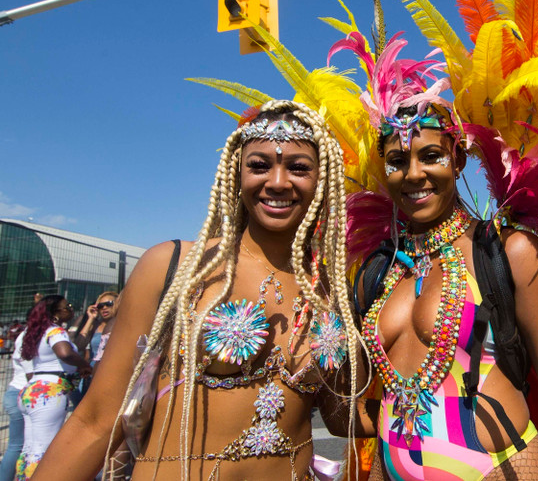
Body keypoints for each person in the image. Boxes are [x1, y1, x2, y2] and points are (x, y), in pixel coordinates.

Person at [332, 34, 538, 479]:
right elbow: (344, 409)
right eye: (397, 161)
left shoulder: (510, 251)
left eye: (431, 156)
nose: (413, 174)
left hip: (499, 468)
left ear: (458, 159)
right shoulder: (377, 269)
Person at [32, 102, 358, 480]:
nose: (278, 182)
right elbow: (97, 420)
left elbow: (342, 417)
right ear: (236, 173)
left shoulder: (327, 290)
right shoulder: (175, 266)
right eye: (259, 165)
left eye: (299, 168)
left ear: (323, 179)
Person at [15, 295, 92, 478]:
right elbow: (65, 353)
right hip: (49, 393)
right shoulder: (55, 331)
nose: (71, 310)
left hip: (31, 390)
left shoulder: (37, 333)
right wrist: (85, 365)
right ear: (55, 314)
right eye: (68, 306)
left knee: (29, 449)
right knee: (43, 451)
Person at [0, 328, 29, 481]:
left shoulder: (25, 334)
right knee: (19, 445)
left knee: (16, 445)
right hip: (23, 392)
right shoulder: (38, 334)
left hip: (15, 391)